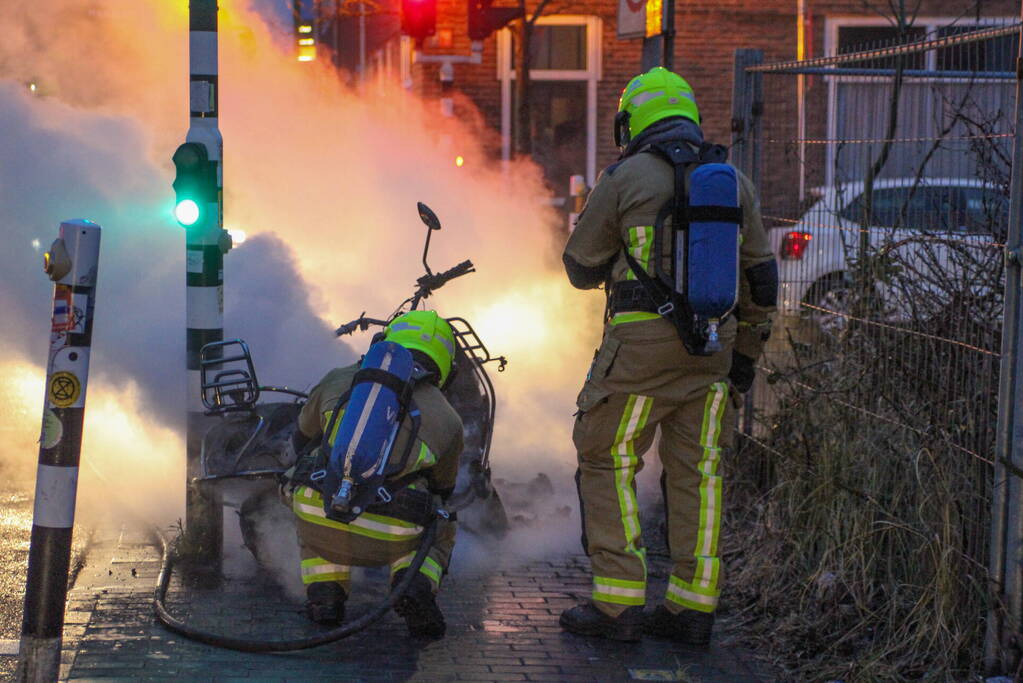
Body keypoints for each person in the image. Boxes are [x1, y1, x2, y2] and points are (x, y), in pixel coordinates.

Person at [558, 67, 778, 644]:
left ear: (633, 121)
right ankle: (692, 608)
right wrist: (745, 359)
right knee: (699, 472)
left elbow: (580, 266)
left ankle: (618, 604)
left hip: (639, 355)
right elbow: (762, 280)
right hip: (714, 353)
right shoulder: (732, 181)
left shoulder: (626, 176)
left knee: (606, 457)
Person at [285, 310, 463, 638]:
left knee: (310, 484)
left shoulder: (338, 377)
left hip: (318, 517)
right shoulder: (449, 417)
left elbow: (298, 440)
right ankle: (414, 583)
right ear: (446, 364)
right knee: (442, 519)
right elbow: (444, 487)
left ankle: (325, 593)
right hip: (391, 536)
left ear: (384, 341)